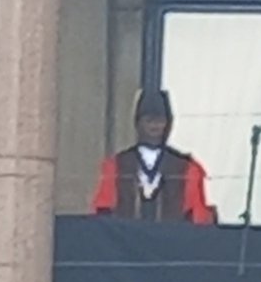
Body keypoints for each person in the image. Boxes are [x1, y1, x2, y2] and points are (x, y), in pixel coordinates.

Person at [91, 88, 215, 225]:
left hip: (172, 242)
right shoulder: (116, 166)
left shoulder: (187, 168)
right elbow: (102, 213)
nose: (154, 126)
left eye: (160, 121)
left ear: (168, 124)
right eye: (148, 121)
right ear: (137, 123)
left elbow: (197, 217)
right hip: (125, 244)